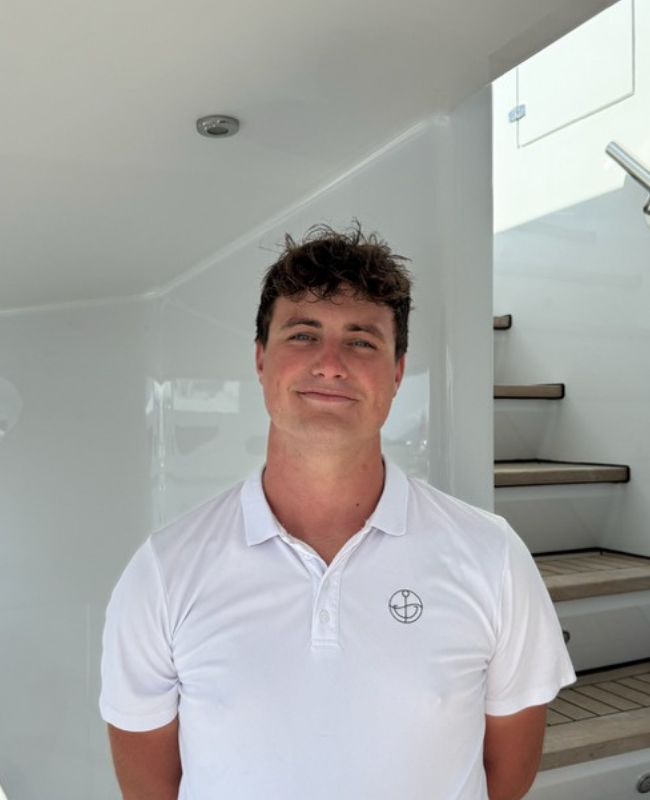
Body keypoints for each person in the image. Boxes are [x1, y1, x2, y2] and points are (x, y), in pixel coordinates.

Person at [100, 223, 575, 800]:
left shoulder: (492, 555)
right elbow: (150, 788)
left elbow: (507, 774)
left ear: (397, 372)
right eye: (303, 335)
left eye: (361, 341)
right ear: (260, 359)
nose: (330, 364)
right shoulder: (163, 570)